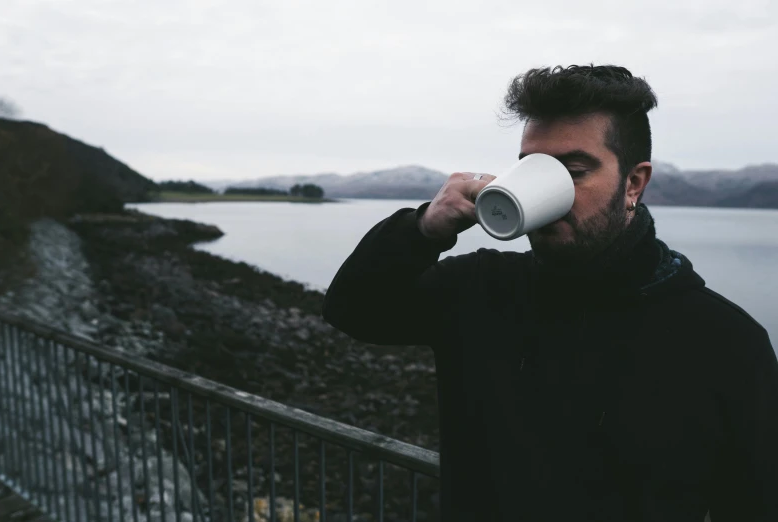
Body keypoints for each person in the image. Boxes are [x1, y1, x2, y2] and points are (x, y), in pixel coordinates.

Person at [322, 65, 778, 521]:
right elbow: (353, 309)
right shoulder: (481, 289)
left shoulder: (725, 342)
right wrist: (423, 228)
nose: (550, 189)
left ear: (634, 184)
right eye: (533, 169)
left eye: (574, 171)